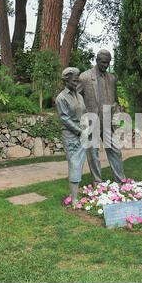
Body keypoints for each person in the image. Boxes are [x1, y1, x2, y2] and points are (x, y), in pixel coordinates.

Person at [77, 49, 126, 183]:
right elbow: (76, 98)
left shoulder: (112, 78)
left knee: (115, 151)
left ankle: (121, 180)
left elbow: (115, 99)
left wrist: (116, 114)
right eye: (103, 62)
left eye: (108, 63)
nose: (105, 65)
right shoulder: (85, 77)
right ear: (97, 60)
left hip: (108, 122)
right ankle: (98, 182)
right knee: (93, 154)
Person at [55, 67, 86, 205]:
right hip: (71, 135)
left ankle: (75, 194)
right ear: (67, 80)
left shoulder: (79, 95)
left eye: (78, 79)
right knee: (74, 163)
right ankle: (74, 200)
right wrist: (79, 131)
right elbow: (64, 119)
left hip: (83, 133)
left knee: (79, 164)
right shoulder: (61, 98)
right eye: (75, 79)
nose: (77, 81)